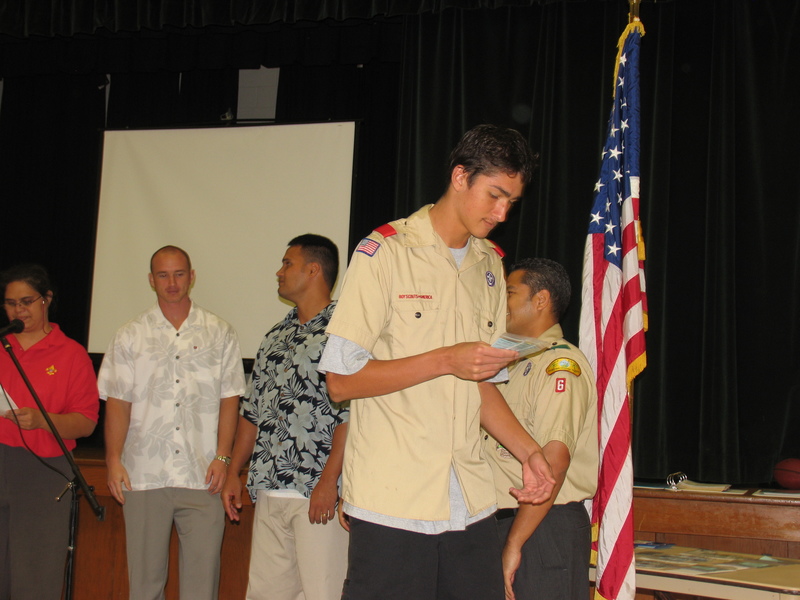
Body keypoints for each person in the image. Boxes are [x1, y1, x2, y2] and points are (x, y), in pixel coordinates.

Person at [318, 124, 556, 599]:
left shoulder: (490, 266)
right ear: (460, 177)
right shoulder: (385, 252)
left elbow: (482, 386)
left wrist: (531, 453)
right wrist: (445, 359)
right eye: (495, 196)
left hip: (469, 498)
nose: (502, 213)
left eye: (511, 202)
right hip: (393, 502)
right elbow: (340, 382)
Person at [98, 245, 245, 600]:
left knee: (202, 585)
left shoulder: (219, 332)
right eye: (163, 275)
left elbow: (230, 399)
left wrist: (223, 457)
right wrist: (113, 459)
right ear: (151, 280)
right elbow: (118, 402)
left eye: (179, 274)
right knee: (145, 586)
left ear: (192, 276)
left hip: (204, 474)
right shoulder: (130, 334)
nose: (172, 283)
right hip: (144, 473)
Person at [222, 234, 349, 600]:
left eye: (287, 264)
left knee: (323, 592)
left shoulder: (344, 332)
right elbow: (252, 413)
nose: (279, 272)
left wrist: (329, 482)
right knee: (266, 593)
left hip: (316, 490)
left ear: (313, 270)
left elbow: (351, 415)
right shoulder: (275, 337)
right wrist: (233, 471)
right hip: (269, 486)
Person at [485, 258, 598, 600]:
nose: (500, 301)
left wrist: (514, 543)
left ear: (541, 300)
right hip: (502, 522)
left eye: (509, 292)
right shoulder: (509, 363)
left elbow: (554, 463)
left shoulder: (559, 365)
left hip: (542, 527)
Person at [0, 263, 99, 599]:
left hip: (44, 471)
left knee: (35, 575)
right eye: (11, 303)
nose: (18, 310)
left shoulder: (71, 354)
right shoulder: (1, 346)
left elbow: (86, 422)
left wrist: (43, 420)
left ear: (47, 299)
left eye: (26, 301)